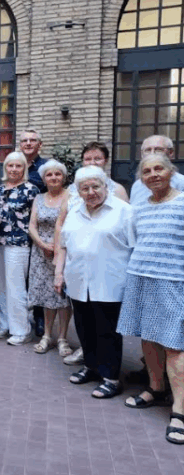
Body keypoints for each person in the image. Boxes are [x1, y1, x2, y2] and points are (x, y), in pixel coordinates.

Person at [117, 154, 184, 444]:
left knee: (174, 345)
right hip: (140, 277)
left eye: (159, 169)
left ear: (171, 172)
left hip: (174, 281)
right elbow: (135, 242)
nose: (153, 174)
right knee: (147, 337)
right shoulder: (140, 206)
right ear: (141, 179)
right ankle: (156, 389)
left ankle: (180, 410)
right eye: (147, 171)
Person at [54, 166, 134, 400]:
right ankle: (91, 366)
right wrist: (59, 273)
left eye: (95, 186)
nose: (90, 192)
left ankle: (111, 378)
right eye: (85, 188)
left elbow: (135, 247)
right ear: (78, 191)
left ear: (105, 186)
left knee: (107, 330)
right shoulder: (75, 211)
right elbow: (64, 245)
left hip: (110, 281)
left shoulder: (124, 211)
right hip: (78, 281)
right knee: (84, 326)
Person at [27, 160, 73, 356]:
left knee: (63, 297)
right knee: (47, 296)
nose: (54, 177)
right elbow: (32, 225)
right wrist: (42, 244)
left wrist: (56, 247)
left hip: (64, 251)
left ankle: (62, 338)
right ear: (44, 179)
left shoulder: (71, 196)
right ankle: (47, 335)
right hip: (41, 252)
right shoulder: (38, 198)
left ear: (63, 177)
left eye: (57, 174)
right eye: (49, 175)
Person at [0, 151, 39, 345]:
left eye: (18, 165)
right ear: (5, 167)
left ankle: (21, 330)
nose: (14, 169)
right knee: (1, 285)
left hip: (19, 243)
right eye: (10, 165)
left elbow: (35, 220)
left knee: (16, 286)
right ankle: (5, 324)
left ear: (24, 168)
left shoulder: (31, 190)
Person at [19, 128, 47, 337]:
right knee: (20, 275)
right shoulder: (15, 164)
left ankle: (40, 318)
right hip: (17, 230)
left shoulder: (45, 167)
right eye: (24, 140)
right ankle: (19, 318)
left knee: (38, 275)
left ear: (40, 144)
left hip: (40, 229)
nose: (28, 143)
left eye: (32, 140)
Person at [130, 135, 184, 207]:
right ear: (142, 154)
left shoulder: (181, 182)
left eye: (158, 150)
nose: (152, 153)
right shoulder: (137, 185)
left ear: (170, 153)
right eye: (148, 150)